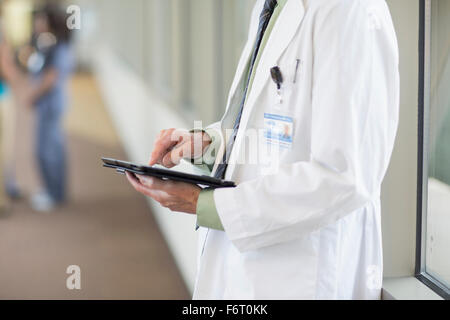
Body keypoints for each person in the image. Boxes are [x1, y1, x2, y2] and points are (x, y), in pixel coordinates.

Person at [127, 0, 400, 299]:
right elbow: (270, 125)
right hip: (250, 269)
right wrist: (210, 144)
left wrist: (205, 204)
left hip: (306, 276)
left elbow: (344, 176)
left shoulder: (351, 10)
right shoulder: (269, 7)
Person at [24, 4, 74, 212]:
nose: (37, 23)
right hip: (47, 105)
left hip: (50, 106)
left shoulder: (60, 48)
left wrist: (32, 96)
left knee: (48, 151)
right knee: (50, 148)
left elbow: (51, 79)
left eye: (41, 19)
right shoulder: (48, 45)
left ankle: (54, 194)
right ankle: (53, 191)